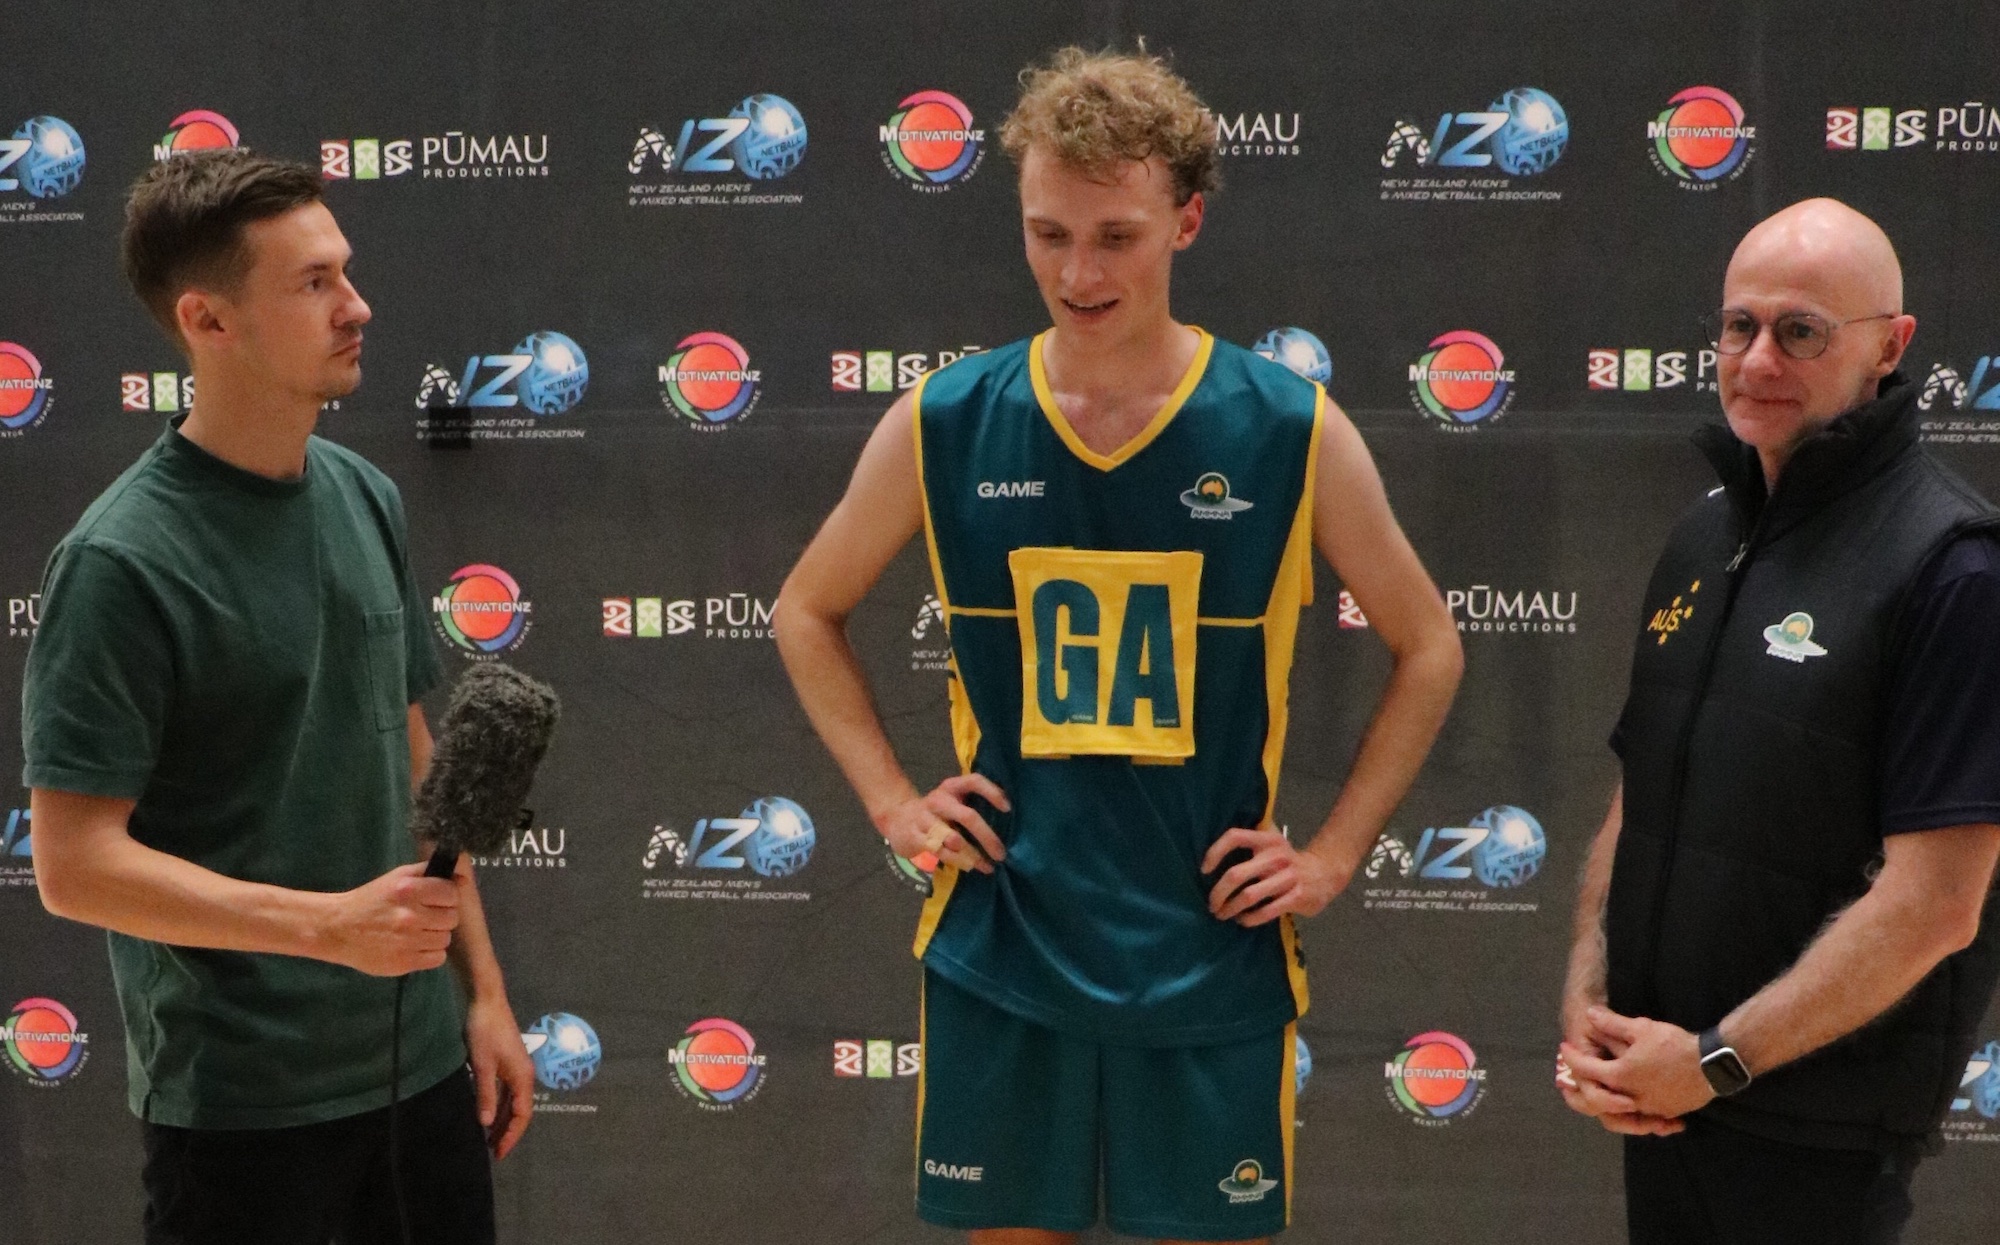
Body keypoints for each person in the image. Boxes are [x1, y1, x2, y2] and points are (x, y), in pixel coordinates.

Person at [775, 47, 1462, 1245]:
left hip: (1208, 951)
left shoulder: (1285, 426)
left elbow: (1428, 646)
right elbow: (803, 610)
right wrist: (893, 802)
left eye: (1114, 237)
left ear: (1185, 222)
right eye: (1047, 234)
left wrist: (1335, 854)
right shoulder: (944, 418)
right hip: (1006, 938)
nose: (1075, 272)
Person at [22, 149, 533, 1244]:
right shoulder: (121, 560)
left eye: (342, 271)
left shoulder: (365, 495)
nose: (356, 306)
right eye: (311, 284)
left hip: (418, 1072)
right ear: (208, 322)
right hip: (243, 1112)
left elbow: (412, 757)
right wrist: (330, 928)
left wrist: (479, 992)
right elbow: (73, 867)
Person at [1557, 198, 2000, 1244]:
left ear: (1888, 350)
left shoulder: (1951, 568)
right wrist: (1588, 991)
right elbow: (1641, 794)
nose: (1755, 359)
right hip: (1665, 1108)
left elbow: (1936, 903)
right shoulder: (1704, 532)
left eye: (1799, 331)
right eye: (1735, 326)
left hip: (1812, 1137)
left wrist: (1714, 1060)